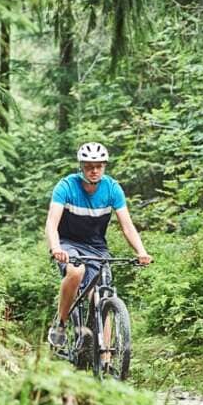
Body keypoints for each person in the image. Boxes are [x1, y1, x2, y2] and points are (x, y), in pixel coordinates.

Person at [46, 142, 152, 348]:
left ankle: (105, 359)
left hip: (97, 247)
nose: (94, 170)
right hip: (68, 244)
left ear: (104, 166)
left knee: (103, 295)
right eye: (88, 166)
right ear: (81, 167)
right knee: (76, 272)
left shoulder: (112, 188)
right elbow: (51, 222)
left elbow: (127, 226)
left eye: (99, 166)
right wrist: (56, 248)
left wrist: (141, 252)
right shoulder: (66, 186)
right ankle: (60, 324)